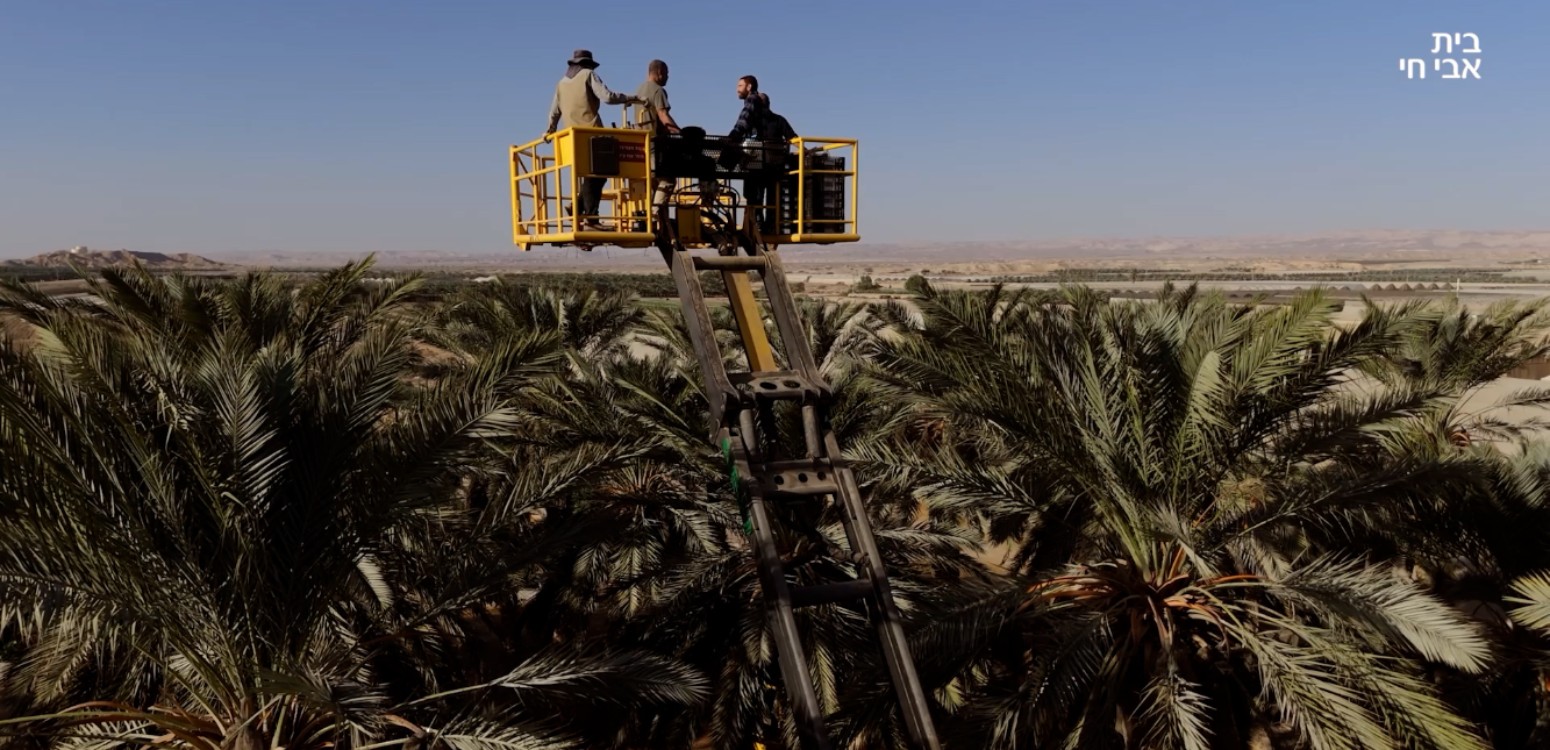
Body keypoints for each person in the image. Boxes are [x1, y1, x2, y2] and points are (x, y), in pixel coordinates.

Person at [543, 49, 639, 229]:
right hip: (593, 134)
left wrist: (549, 131)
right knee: (600, 173)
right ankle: (590, 216)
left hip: (572, 138)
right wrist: (631, 98)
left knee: (590, 175)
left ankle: (578, 207)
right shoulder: (589, 75)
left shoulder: (561, 84)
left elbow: (554, 112)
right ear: (587, 64)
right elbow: (607, 97)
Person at [635, 59, 680, 211]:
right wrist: (679, 133)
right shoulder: (657, 90)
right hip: (654, 143)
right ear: (659, 73)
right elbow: (663, 115)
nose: (668, 77)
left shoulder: (639, 90)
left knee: (653, 183)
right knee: (668, 180)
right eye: (666, 74)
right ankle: (655, 215)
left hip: (640, 143)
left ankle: (653, 219)